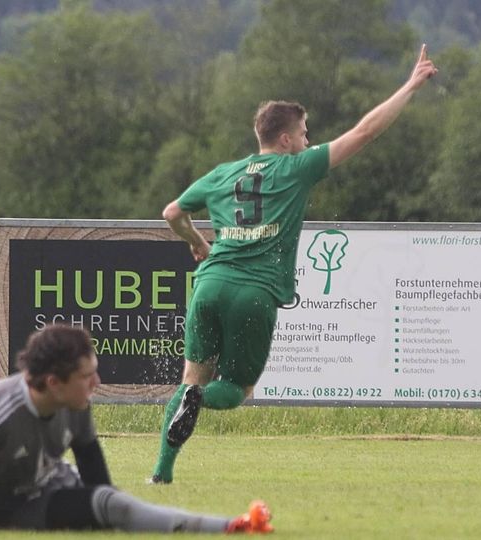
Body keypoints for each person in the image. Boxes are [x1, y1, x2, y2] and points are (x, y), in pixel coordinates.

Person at [151, 45, 438, 484]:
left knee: (191, 377)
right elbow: (363, 133)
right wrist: (411, 85)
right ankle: (200, 401)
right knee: (236, 389)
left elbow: (172, 212)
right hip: (254, 293)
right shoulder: (297, 168)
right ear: (285, 140)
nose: (308, 139)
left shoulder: (223, 174)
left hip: (209, 284)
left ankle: (161, 474)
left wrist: (198, 244)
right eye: (304, 133)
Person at [0, 324, 273, 536]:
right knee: (114, 506)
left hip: (57, 485)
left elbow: (89, 457)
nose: (96, 383)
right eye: (87, 377)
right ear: (54, 382)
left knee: (109, 503)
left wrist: (104, 506)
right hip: (11, 511)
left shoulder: (75, 403)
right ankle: (234, 527)